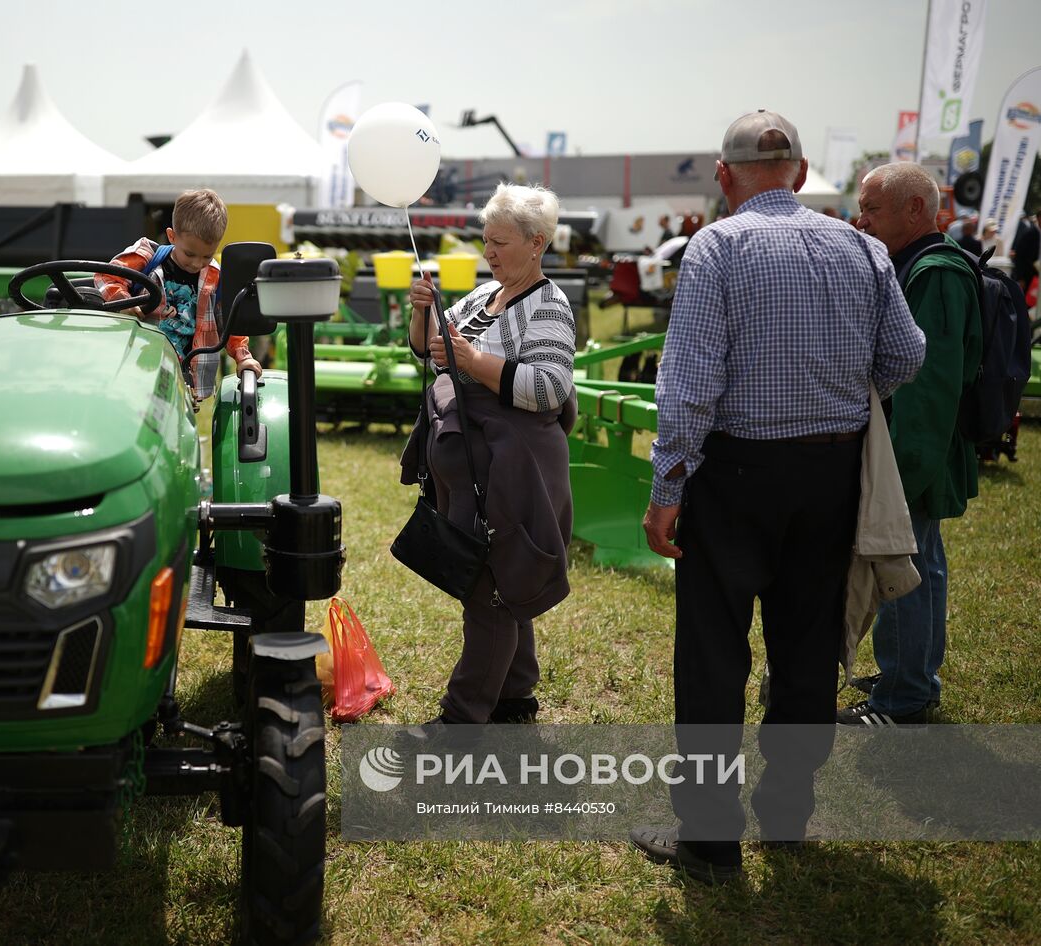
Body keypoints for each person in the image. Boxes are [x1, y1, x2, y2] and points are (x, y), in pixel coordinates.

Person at [631, 111, 925, 883]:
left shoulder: (718, 245)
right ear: (797, 173)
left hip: (733, 474)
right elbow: (905, 354)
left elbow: (688, 387)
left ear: (724, 177)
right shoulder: (861, 246)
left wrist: (667, 486)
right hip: (830, 475)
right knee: (806, 649)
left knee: (712, 655)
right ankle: (787, 814)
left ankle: (708, 838)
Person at [401, 183, 577, 727]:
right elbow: (433, 353)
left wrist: (473, 361)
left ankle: (461, 721)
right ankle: (516, 694)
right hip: (474, 469)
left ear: (537, 243)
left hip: (514, 471)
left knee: (490, 593)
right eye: (486, 241)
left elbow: (550, 388)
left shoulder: (549, 304)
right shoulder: (482, 297)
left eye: (500, 242)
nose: (489, 252)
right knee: (501, 578)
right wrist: (422, 315)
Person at [839, 162, 982, 727]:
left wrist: (899, 474)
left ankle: (902, 698)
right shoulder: (915, 265)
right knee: (920, 566)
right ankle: (911, 677)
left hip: (914, 454)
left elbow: (929, 389)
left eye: (872, 208)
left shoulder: (935, 274)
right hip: (913, 451)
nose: (861, 218)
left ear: (914, 210)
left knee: (902, 568)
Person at [95, 189, 260, 401]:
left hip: (186, 376)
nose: (196, 263)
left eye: (206, 256)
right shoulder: (149, 257)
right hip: (141, 363)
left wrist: (242, 357)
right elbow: (107, 275)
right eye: (189, 253)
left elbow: (229, 322)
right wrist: (123, 300)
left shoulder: (216, 278)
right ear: (172, 236)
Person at [1010, 209, 1040, 295]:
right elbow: (1019, 256)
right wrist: (1021, 278)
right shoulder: (1029, 234)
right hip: (1028, 277)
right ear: (1038, 219)